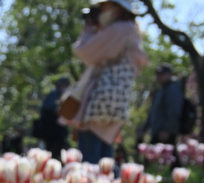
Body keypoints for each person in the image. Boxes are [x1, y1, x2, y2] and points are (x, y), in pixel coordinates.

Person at [70, 0, 148, 163]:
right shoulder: (131, 30)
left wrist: (88, 28)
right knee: (105, 160)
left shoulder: (119, 29)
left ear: (116, 7)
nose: (100, 9)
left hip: (99, 104)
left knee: (91, 162)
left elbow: (84, 51)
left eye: (103, 5)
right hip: (115, 104)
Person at [144, 63, 184, 146]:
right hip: (157, 132)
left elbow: (174, 111)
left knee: (166, 157)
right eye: (157, 73)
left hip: (165, 134)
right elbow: (153, 112)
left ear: (169, 74)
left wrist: (167, 130)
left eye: (162, 74)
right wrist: (144, 129)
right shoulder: (161, 89)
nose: (158, 76)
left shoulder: (172, 89)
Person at [36, 76, 71, 159]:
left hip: (57, 132)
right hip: (52, 131)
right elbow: (51, 108)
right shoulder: (54, 94)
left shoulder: (60, 94)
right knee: (53, 152)